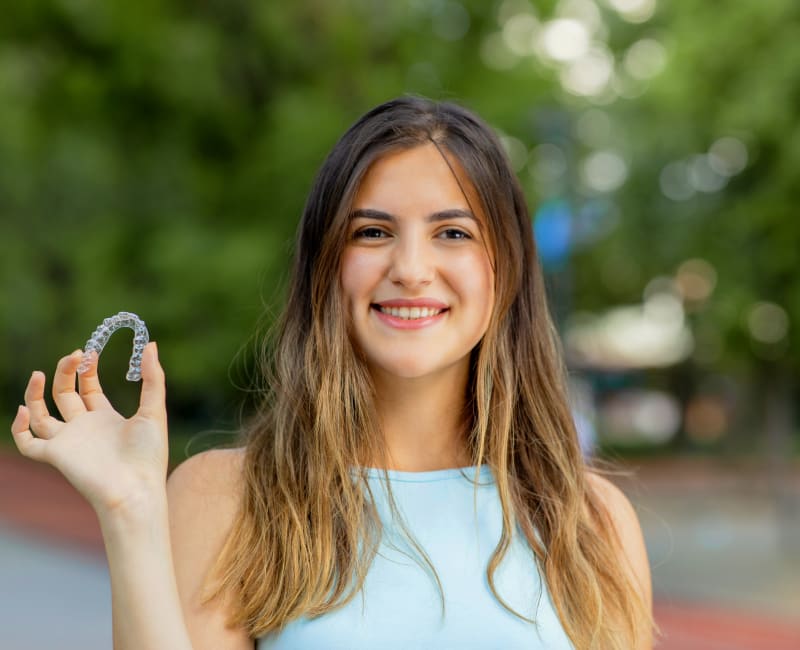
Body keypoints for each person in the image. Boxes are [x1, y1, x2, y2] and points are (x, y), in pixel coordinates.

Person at [10, 97, 653, 649]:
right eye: (372, 232)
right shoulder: (228, 496)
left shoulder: (591, 520)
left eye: (452, 233)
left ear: (505, 269)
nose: (410, 268)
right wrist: (131, 510)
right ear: (326, 268)